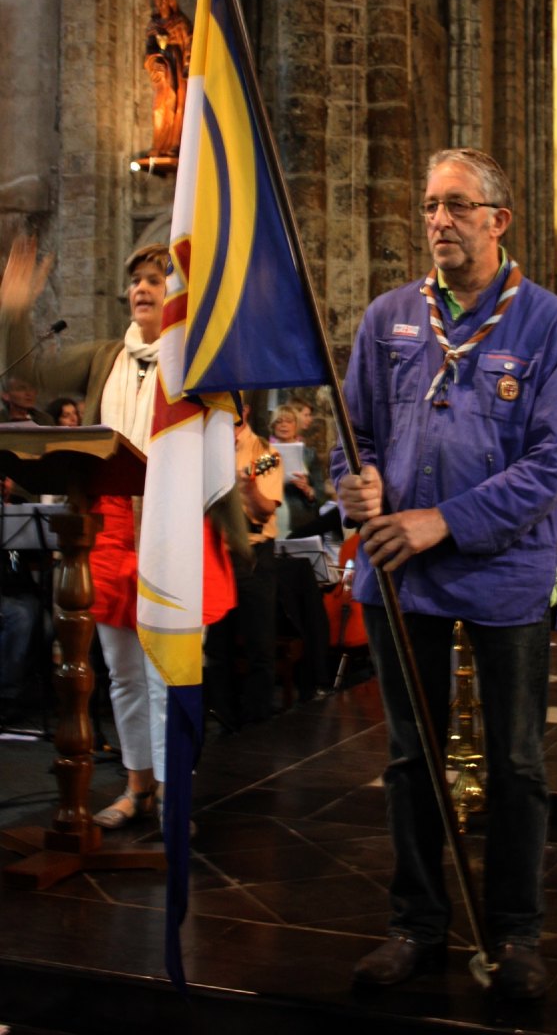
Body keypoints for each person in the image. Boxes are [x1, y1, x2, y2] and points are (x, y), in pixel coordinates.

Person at [331, 147, 557, 999]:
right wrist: (353, 481)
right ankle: (417, 924)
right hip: (401, 574)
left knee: (516, 760)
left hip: (504, 570)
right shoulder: (388, 316)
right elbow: (352, 431)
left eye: (455, 205)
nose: (437, 220)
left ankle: (517, 934)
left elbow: (554, 464)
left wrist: (445, 520)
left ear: (496, 221)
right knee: (410, 758)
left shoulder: (547, 324)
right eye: (430, 205)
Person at [0, 238, 240, 828]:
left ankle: (173, 794)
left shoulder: (198, 362)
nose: (142, 287)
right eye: (137, 279)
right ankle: (137, 790)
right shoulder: (105, 355)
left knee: (169, 675)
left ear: (177, 293)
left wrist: (235, 532)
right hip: (107, 531)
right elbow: (28, 375)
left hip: (173, 532)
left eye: (157, 278)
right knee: (125, 677)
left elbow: (227, 429)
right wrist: (12, 311)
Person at [204, 397, 282, 730]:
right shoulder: (205, 444)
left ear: (244, 410)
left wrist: (247, 485)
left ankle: (258, 720)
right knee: (217, 644)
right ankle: (221, 713)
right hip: (214, 552)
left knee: (258, 642)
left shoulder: (263, 452)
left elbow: (266, 509)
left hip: (252, 554)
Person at [143, 0, 193, 157]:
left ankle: (175, 143)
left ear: (172, 0)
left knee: (178, 104)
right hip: (162, 71)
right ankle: (160, 144)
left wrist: (187, 65)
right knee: (160, 106)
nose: (160, 3)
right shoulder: (153, 26)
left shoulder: (180, 22)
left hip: (178, 69)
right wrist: (153, 60)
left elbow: (189, 44)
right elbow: (149, 49)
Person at [269, 403, 320, 532]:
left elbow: (322, 491)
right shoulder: (264, 453)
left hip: (301, 515)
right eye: (279, 421)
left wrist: (308, 490)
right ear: (273, 426)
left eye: (289, 421)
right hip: (271, 515)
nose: (283, 425)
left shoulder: (309, 454)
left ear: (296, 425)